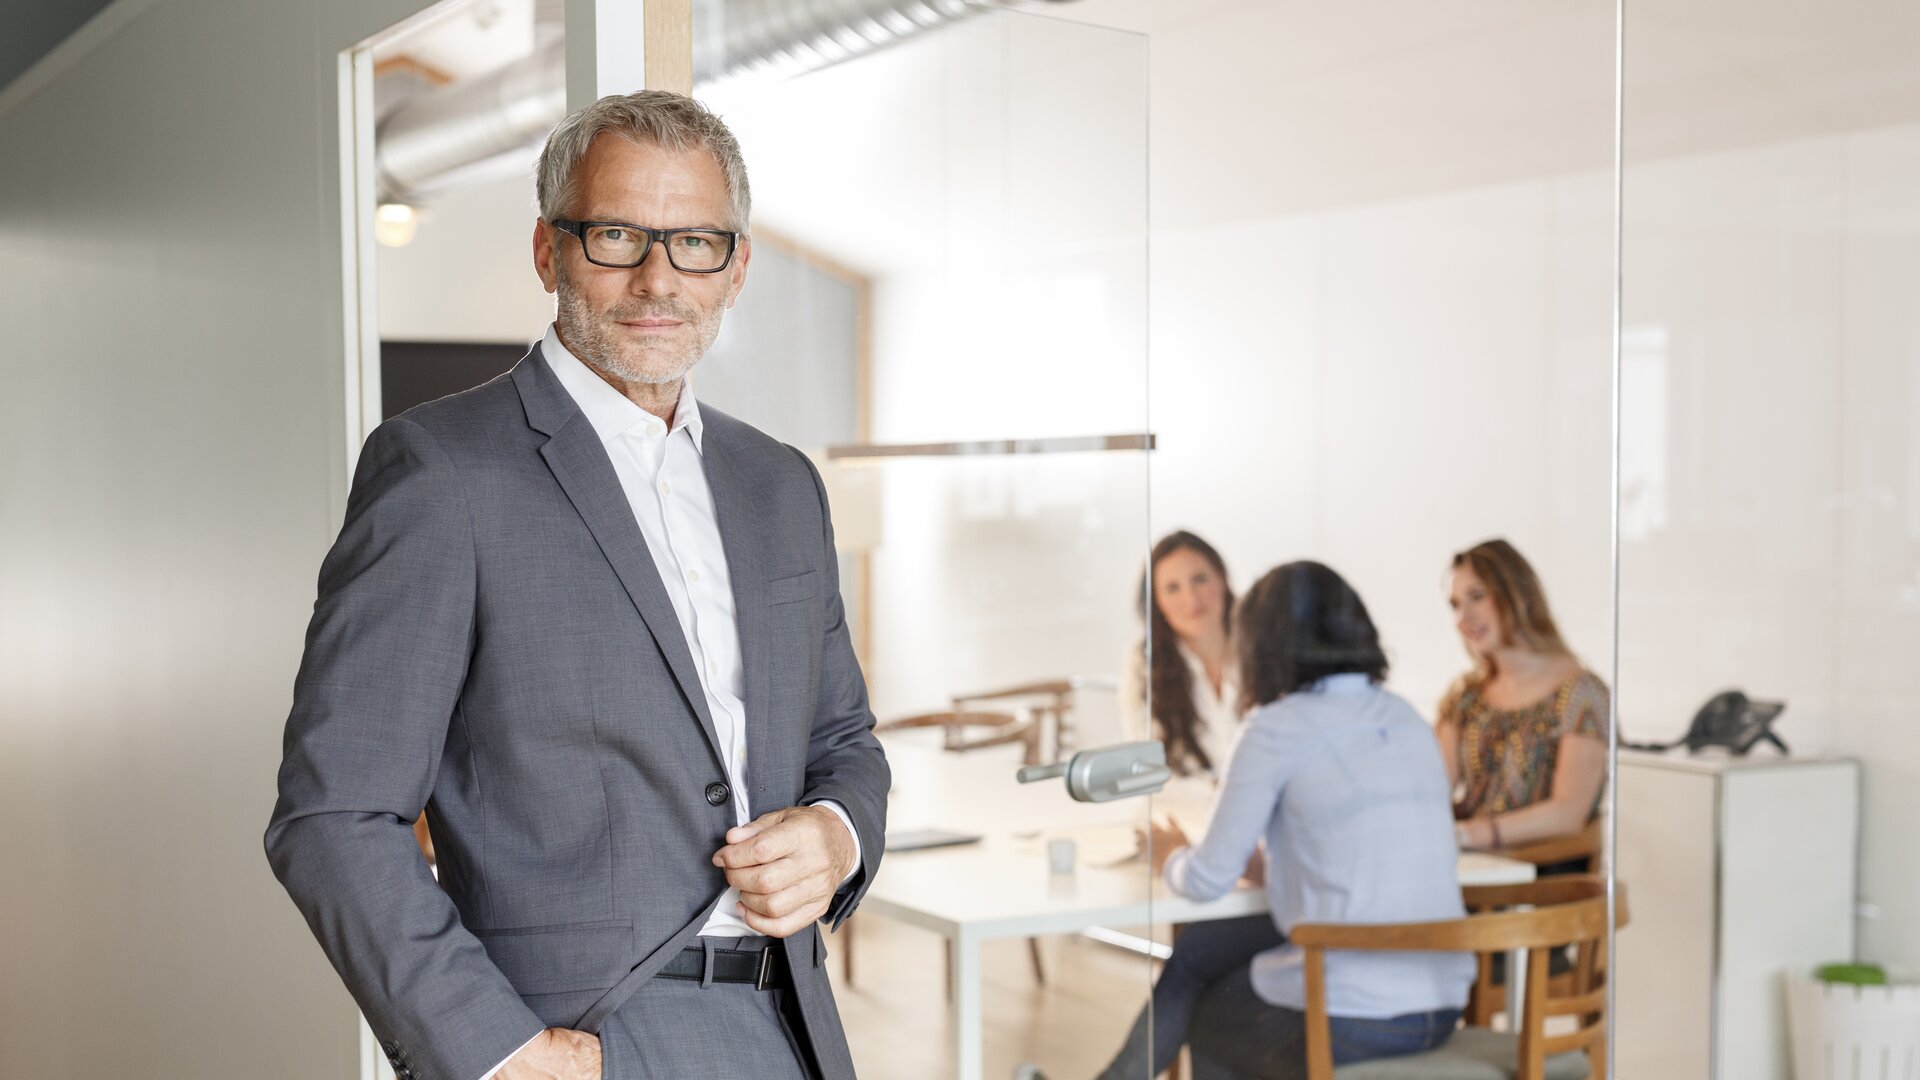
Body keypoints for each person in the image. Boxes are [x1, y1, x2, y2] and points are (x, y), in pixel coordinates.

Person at [264, 91, 889, 1080]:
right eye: (615, 236)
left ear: (736, 267)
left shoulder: (781, 484)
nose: (658, 278)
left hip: (797, 1032)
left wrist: (837, 834)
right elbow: (333, 816)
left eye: (695, 244)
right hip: (582, 1040)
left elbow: (844, 741)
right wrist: (492, 1048)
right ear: (550, 252)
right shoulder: (440, 470)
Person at [1100, 561, 1471, 1080]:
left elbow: (1206, 880)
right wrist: (1270, 867)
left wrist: (1171, 857)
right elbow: (1347, 851)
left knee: (1210, 1015)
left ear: (1259, 642)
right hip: (1443, 1002)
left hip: (1354, 1013)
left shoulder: (1274, 728)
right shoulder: (1404, 716)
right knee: (1202, 951)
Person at [1437, 539, 1607, 855]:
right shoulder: (1465, 695)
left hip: (1544, 884)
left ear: (1517, 595)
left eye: (1477, 596)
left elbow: (1569, 813)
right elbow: (1431, 790)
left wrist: (1470, 835)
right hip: (1471, 875)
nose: (1464, 617)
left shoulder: (1581, 692)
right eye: (1455, 604)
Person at [1119, 531, 1241, 779]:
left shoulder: (1263, 647)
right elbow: (1147, 767)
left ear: (1222, 579)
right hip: (1186, 812)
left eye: (1200, 579)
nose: (1191, 598)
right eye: (1172, 588)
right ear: (1157, 601)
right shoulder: (1144, 664)